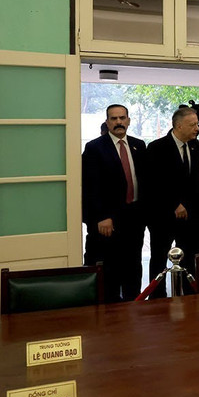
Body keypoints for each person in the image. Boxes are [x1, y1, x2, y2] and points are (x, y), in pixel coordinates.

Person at [82, 104, 147, 302]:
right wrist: (101, 216)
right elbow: (90, 187)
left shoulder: (139, 145)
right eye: (114, 118)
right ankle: (108, 315)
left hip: (134, 218)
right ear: (107, 122)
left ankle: (133, 308)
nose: (119, 122)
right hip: (108, 220)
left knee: (133, 266)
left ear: (128, 120)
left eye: (122, 118)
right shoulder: (94, 148)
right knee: (109, 269)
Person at [144, 106, 199, 297]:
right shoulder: (156, 148)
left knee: (190, 259)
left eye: (197, 124)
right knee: (159, 258)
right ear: (178, 125)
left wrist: (188, 205)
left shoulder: (195, 147)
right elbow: (153, 183)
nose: (197, 128)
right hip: (163, 216)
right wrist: (174, 204)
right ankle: (157, 297)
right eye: (193, 125)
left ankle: (189, 296)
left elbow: (194, 181)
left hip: (190, 216)